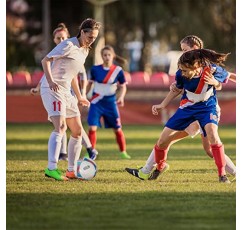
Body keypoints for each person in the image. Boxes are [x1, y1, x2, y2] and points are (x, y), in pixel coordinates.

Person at [126, 35, 236, 181]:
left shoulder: (209, 68)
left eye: (185, 49)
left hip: (206, 109)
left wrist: (216, 83)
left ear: (195, 50)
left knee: (209, 145)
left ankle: (151, 169)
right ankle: (151, 169)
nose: (182, 53)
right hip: (188, 109)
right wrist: (164, 103)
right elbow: (178, 88)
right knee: (167, 141)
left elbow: (224, 80)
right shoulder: (183, 69)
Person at [40, 18, 101, 181]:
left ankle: (71, 170)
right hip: (51, 88)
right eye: (90, 37)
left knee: (77, 131)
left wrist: (80, 96)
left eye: (95, 38)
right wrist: (51, 81)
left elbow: (72, 75)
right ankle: (51, 168)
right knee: (60, 127)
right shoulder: (68, 44)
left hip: (66, 91)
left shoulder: (85, 50)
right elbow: (45, 60)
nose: (92, 40)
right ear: (82, 32)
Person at [86, 45, 131, 159]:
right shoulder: (95, 69)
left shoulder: (118, 70)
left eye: (109, 55)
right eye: (104, 55)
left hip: (111, 103)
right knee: (92, 127)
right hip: (96, 101)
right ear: (102, 56)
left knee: (117, 128)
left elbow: (123, 87)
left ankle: (123, 152)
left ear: (113, 56)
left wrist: (121, 97)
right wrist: (84, 96)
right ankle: (90, 152)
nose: (107, 57)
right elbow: (90, 84)